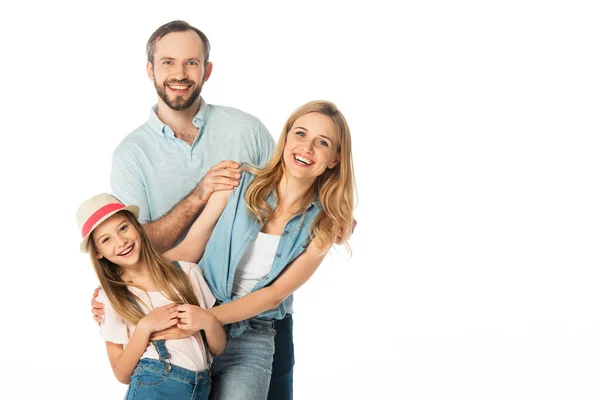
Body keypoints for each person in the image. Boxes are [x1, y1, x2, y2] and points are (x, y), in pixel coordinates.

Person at [91, 20, 295, 400]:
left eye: (191, 63)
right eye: (168, 62)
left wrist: (331, 216)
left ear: (207, 70)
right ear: (150, 69)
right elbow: (139, 245)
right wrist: (200, 195)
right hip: (176, 322)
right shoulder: (131, 155)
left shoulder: (247, 130)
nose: (180, 74)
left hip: (255, 315)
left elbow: (290, 201)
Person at [156, 99, 356, 399]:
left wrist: (211, 318)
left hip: (252, 335)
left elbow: (274, 294)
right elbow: (191, 248)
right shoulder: (237, 182)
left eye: (322, 142)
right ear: (286, 136)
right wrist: (121, 280)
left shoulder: (325, 226)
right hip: (196, 310)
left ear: (334, 159)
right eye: (300, 134)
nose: (307, 148)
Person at [77, 193, 227, 399]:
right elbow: (121, 374)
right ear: (98, 253)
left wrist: (208, 321)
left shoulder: (186, 273)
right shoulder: (109, 299)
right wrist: (145, 327)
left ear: (137, 227)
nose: (121, 241)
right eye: (106, 239)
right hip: (154, 389)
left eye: (123, 228)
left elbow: (218, 348)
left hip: (200, 388)